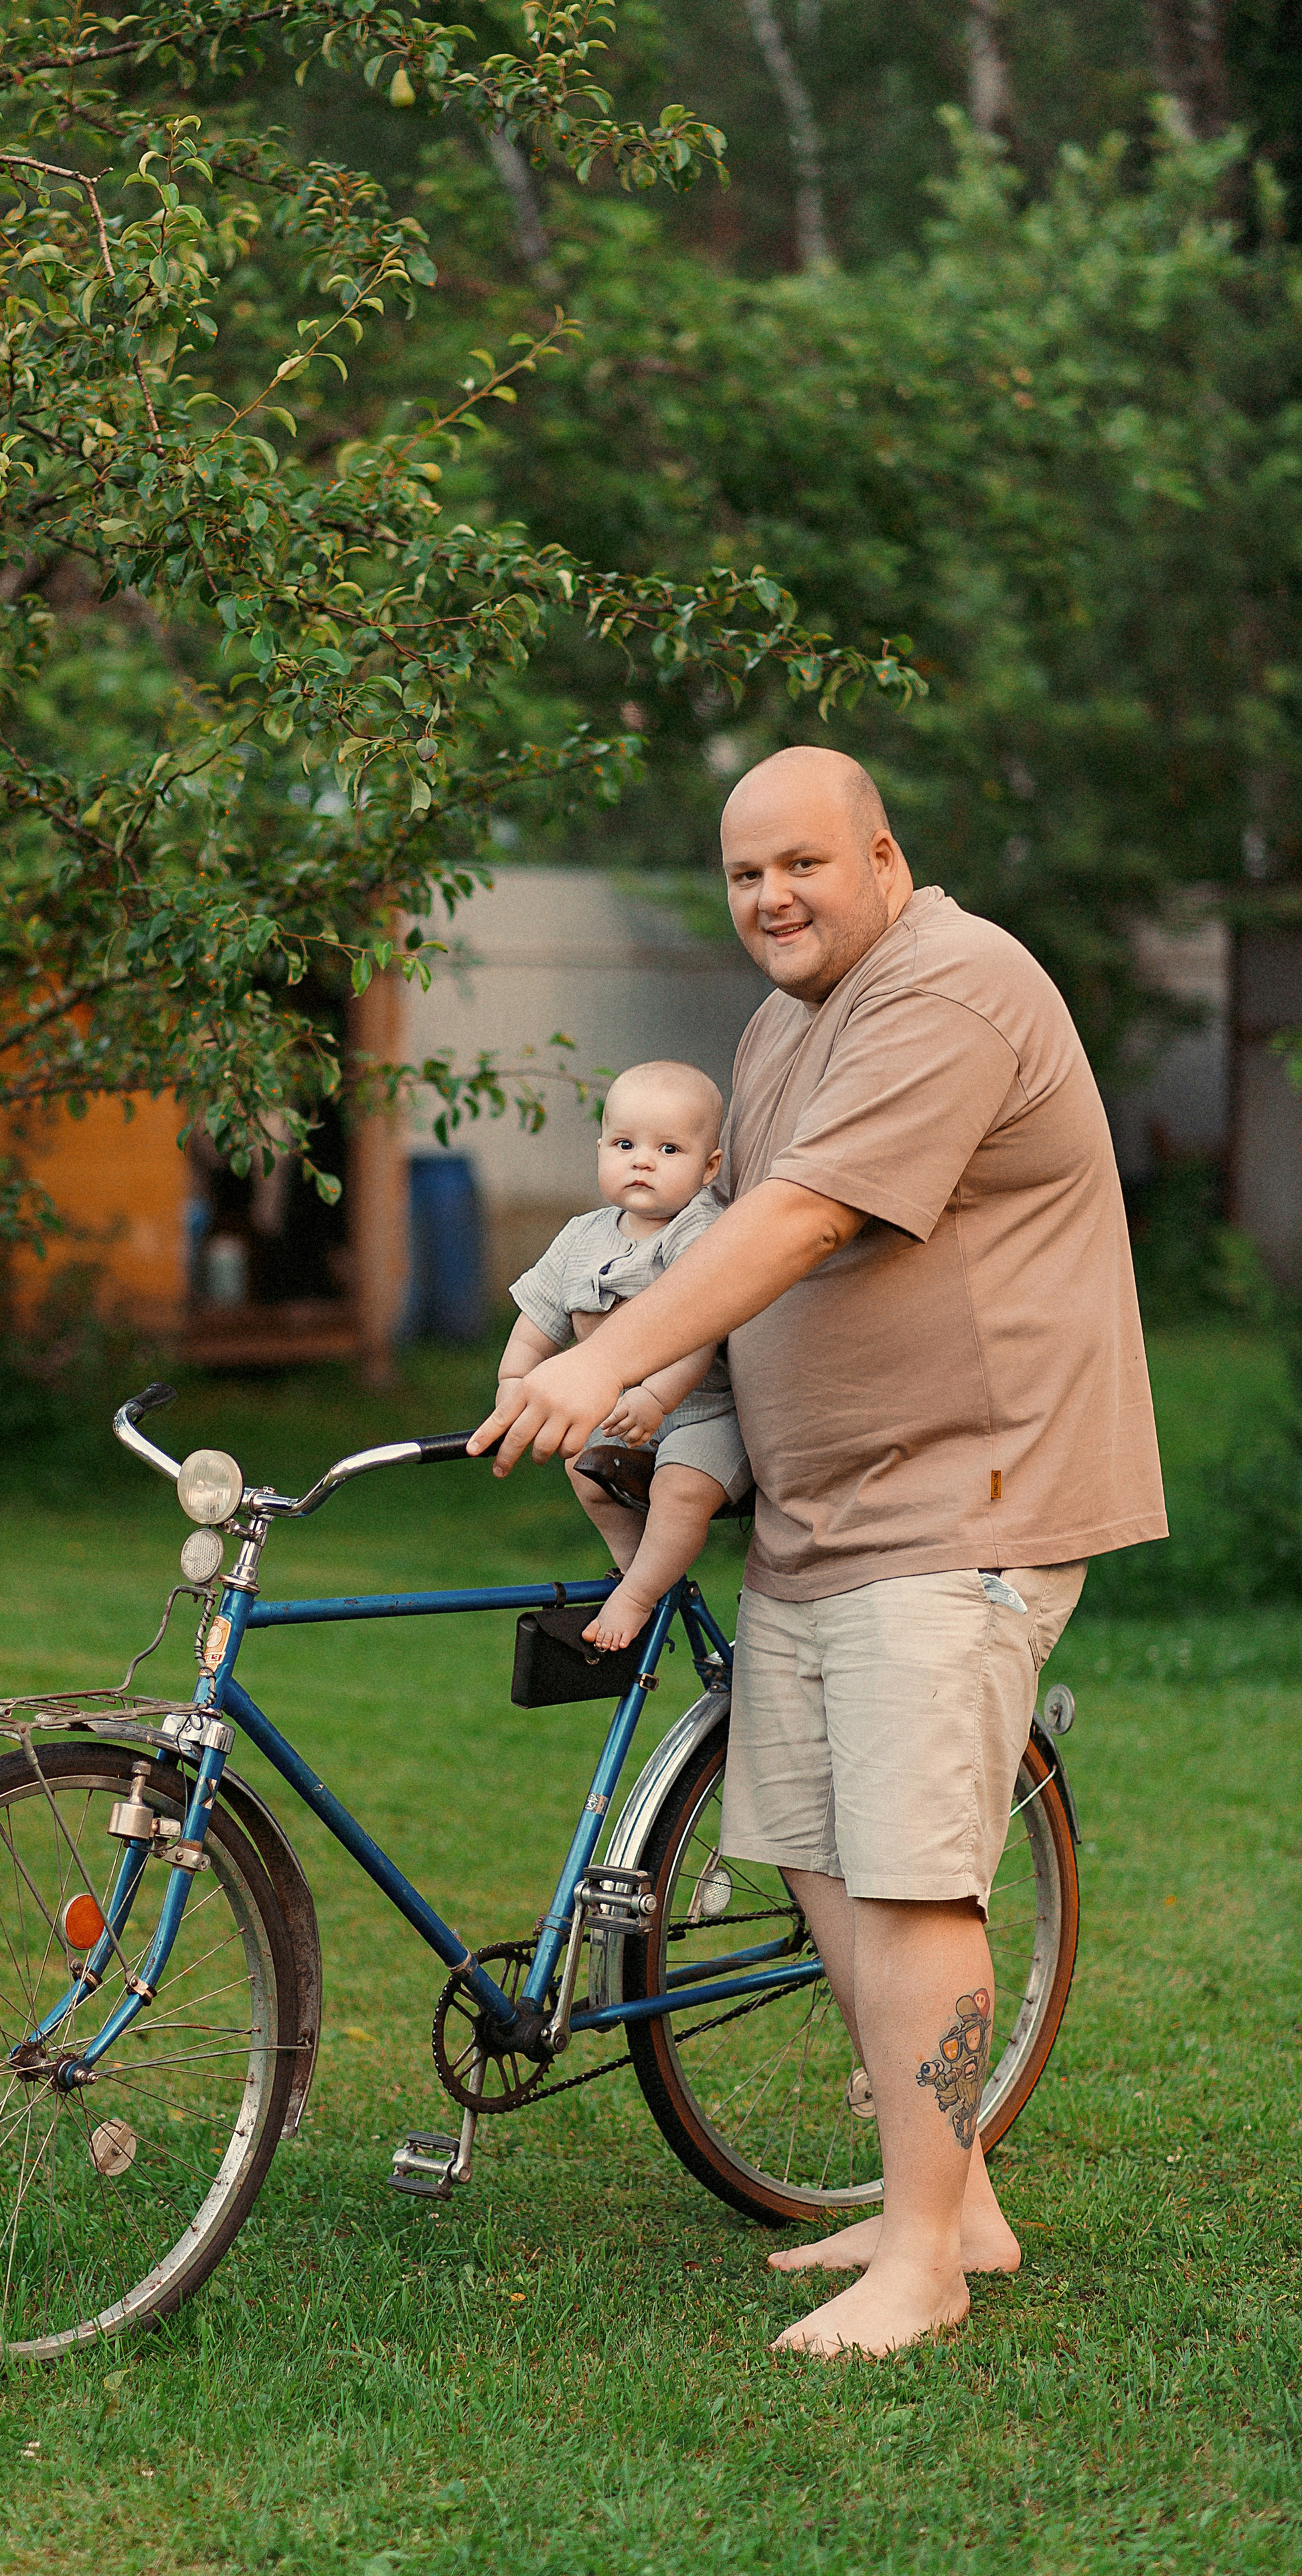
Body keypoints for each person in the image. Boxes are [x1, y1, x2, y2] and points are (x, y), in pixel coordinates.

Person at [469, 744, 1165, 2359]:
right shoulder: (784, 1026)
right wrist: (639, 1387)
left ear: (879, 855)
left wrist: (598, 1357)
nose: (770, 897)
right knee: (815, 1847)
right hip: (817, 1510)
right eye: (741, 874)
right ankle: (951, 2197)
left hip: (959, 1502)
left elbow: (803, 1223)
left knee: (913, 1869)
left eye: (801, 862)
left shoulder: (951, 985)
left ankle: (919, 2257)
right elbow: (733, 1232)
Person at [498, 1062, 750, 1651]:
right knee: (583, 1467)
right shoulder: (581, 1236)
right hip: (623, 1415)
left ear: (709, 1166)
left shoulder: (700, 1231)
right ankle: (636, 1567)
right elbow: (537, 1320)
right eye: (624, 1144)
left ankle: (636, 1598)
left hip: (706, 1413)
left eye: (668, 1148)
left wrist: (656, 1396)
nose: (642, 1161)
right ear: (601, 1150)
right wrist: (515, 1378)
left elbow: (697, 1330)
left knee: (681, 1488)